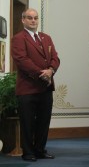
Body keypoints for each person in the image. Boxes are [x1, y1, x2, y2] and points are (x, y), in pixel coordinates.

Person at [11, 8, 60, 162]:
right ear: (23, 20)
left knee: (43, 121)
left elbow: (55, 58)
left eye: (35, 18)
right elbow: (22, 60)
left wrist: (51, 70)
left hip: (46, 87)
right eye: (29, 18)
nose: (33, 21)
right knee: (28, 122)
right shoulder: (18, 38)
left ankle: (40, 150)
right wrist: (42, 73)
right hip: (27, 88)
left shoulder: (46, 38)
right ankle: (28, 152)